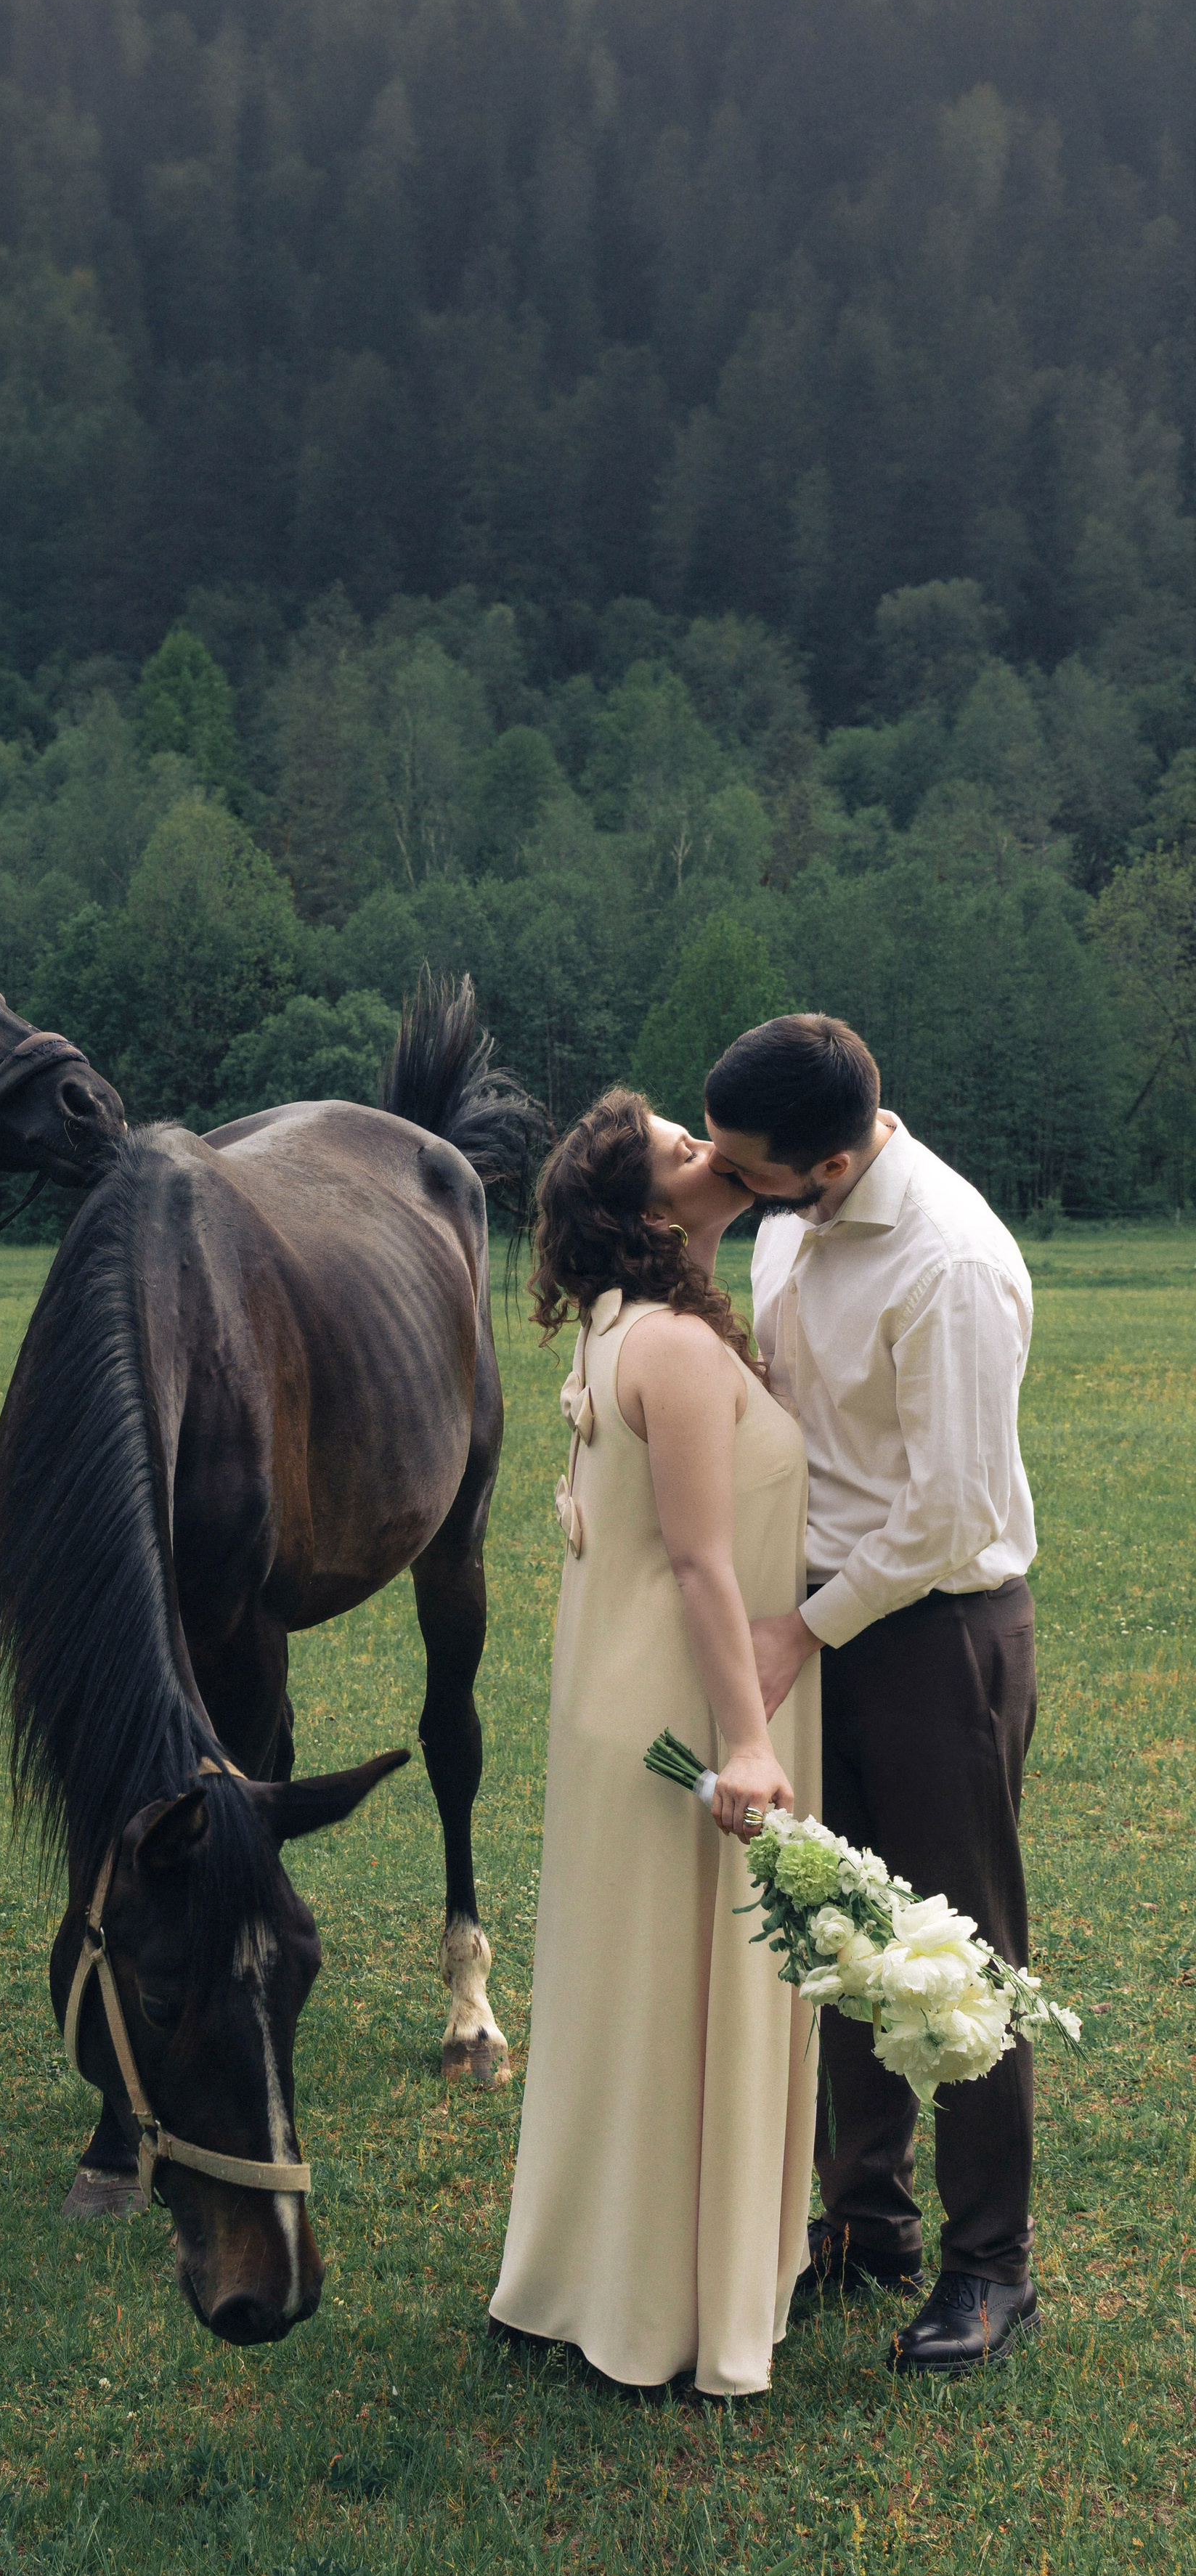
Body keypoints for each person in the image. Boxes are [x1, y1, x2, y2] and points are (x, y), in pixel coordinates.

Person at [703, 1014, 1038, 2377]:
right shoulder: (791, 1222)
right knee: (833, 1925)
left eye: (748, 1172)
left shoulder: (948, 1263)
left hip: (937, 1632)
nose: (730, 1188)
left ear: (831, 1162)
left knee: (961, 1955)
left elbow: (950, 1514)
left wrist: (803, 1631)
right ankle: (865, 2218)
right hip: (821, 1619)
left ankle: (989, 2268)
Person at [488, 1088, 818, 2400]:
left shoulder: (624, 1328)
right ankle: (663, 2306)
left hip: (616, 1699)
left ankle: (599, 2277)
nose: (712, 1153)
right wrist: (749, 1742)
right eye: (684, 1151)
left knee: (631, 2004)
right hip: (686, 1707)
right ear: (643, 1212)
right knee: (670, 2005)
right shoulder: (675, 1349)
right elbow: (697, 1561)